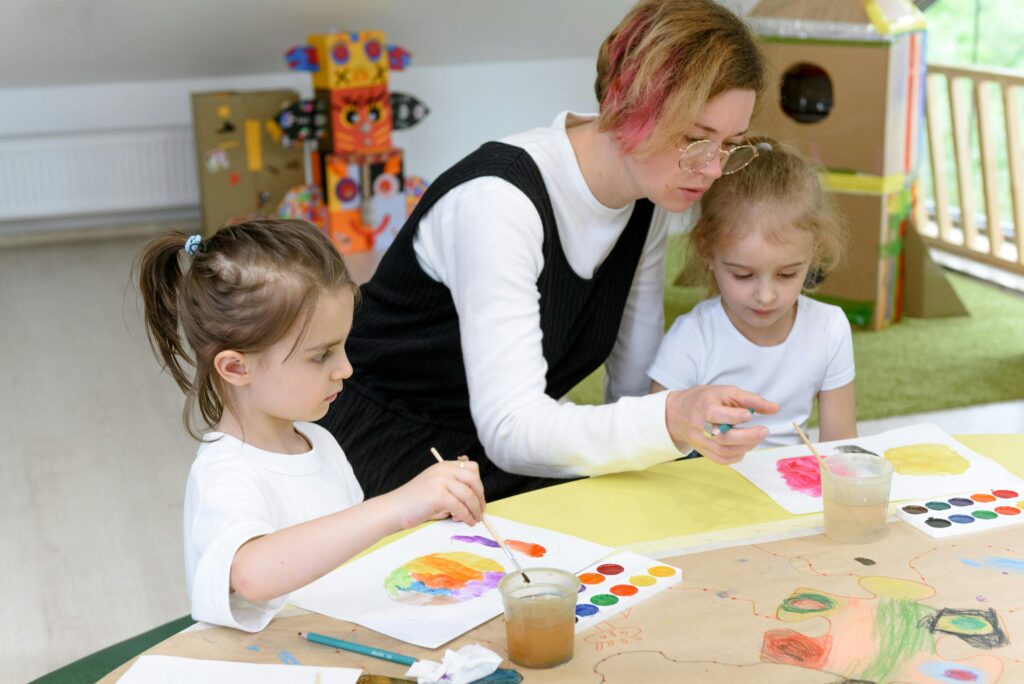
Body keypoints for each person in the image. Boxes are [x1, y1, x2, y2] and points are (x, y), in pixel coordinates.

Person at [321, 0, 780, 501]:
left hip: (492, 455)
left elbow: (630, 385)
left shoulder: (648, 196)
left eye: (731, 144)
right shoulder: (498, 202)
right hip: (385, 453)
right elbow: (513, 430)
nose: (713, 170)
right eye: (695, 140)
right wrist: (668, 419)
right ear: (630, 106)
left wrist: (674, 428)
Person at [136, 219, 486, 632]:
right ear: (236, 367)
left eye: (343, 346)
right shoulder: (224, 471)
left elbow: (346, 550)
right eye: (321, 356)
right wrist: (397, 506)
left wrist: (429, 510)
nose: (346, 368)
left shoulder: (319, 441)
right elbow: (252, 574)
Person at [649, 136, 856, 448]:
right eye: (742, 275)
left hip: (791, 486)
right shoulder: (692, 337)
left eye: (787, 274)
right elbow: (656, 443)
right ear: (707, 250)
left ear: (814, 250)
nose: (766, 296)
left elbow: (841, 447)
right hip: (708, 485)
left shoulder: (829, 328)